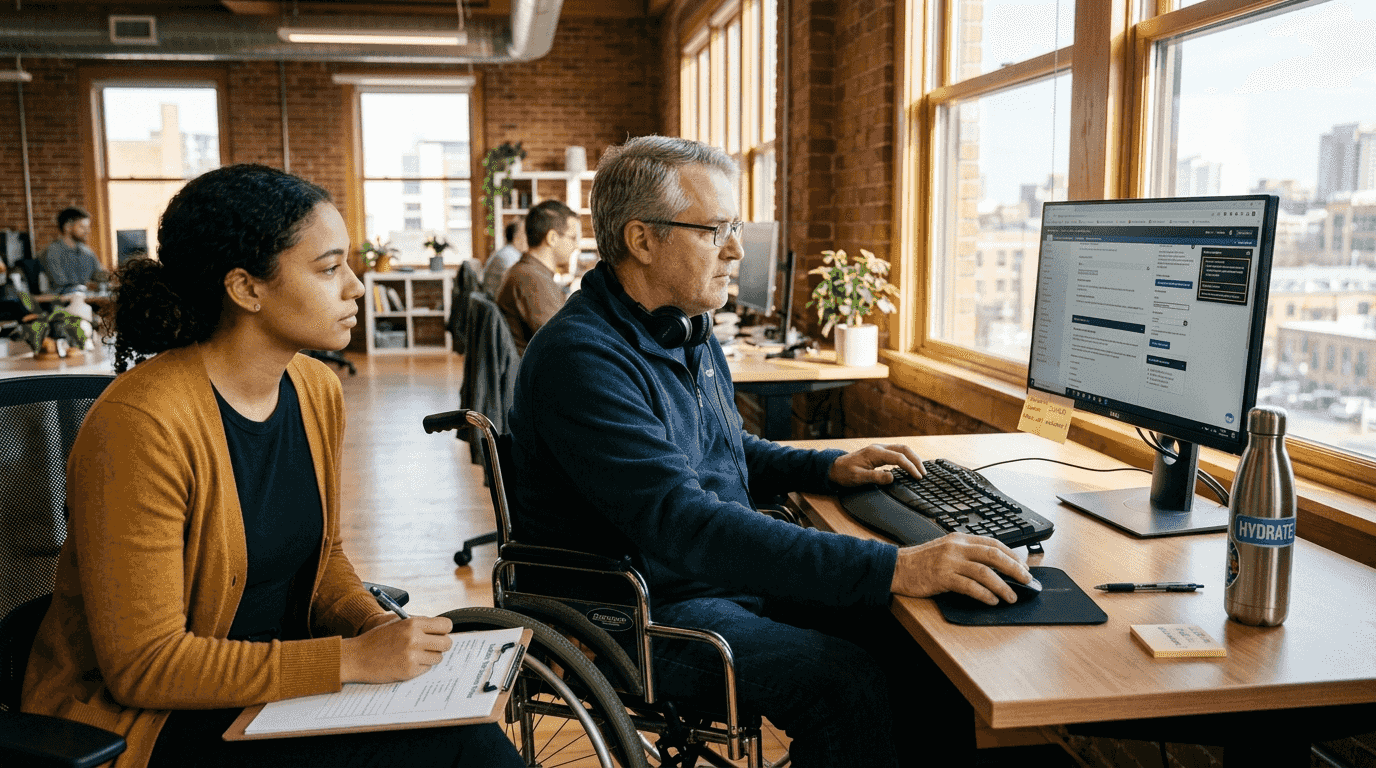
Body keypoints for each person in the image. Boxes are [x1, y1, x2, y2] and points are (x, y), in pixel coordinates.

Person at [506, 136, 1033, 768]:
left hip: (706, 575)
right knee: (843, 683)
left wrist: (825, 466)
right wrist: (893, 566)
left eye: (735, 228)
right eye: (715, 231)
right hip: (636, 613)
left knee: (920, 640)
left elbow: (722, 448)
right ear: (641, 240)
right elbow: (686, 522)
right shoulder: (581, 359)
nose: (736, 250)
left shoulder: (683, 326)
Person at [22, 164, 523, 768]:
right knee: (463, 751)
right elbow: (145, 667)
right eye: (329, 268)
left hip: (274, 687)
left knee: (465, 734)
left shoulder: (314, 388)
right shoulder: (141, 424)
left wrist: (374, 628)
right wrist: (350, 660)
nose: (356, 287)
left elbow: (324, 557)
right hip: (152, 721)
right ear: (246, 289)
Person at [494, 200, 577, 353]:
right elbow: (564, 342)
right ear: (552, 238)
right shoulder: (532, 279)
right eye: (573, 238)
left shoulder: (528, 271)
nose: (576, 246)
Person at [37, 206, 106, 294]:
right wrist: (87, 287)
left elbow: (100, 276)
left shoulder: (87, 252)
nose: (87, 231)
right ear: (68, 227)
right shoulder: (52, 253)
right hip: (63, 301)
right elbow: (61, 286)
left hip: (87, 298)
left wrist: (106, 278)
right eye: (82, 227)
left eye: (88, 227)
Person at [480, 217, 526, 298]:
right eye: (525, 235)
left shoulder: (506, 252)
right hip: (497, 302)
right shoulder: (510, 257)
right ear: (516, 238)